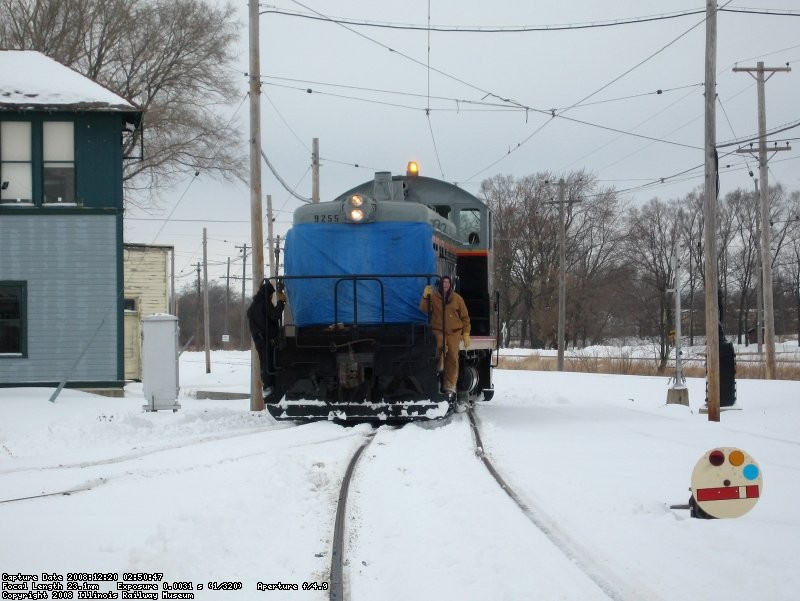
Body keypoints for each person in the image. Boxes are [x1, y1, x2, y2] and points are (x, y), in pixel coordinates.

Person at [419, 275, 471, 400]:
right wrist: (425, 297)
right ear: (440, 284)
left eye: (448, 282)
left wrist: (466, 333)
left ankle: (450, 385)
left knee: (453, 356)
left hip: (454, 332)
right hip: (438, 330)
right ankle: (436, 374)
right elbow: (423, 309)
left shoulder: (457, 299)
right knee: (438, 349)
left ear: (451, 285)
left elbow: (465, 317)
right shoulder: (434, 297)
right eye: (444, 282)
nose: (446, 284)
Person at [247, 279, 286, 394]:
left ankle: (267, 384)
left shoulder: (252, 307)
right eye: (271, 294)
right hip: (266, 339)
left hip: (258, 339)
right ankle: (269, 386)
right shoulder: (265, 304)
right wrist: (281, 302)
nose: (271, 297)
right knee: (268, 361)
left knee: (264, 362)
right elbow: (275, 315)